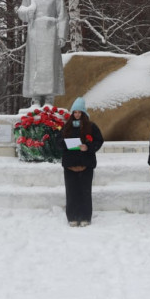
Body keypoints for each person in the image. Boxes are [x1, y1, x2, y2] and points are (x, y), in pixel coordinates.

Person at [16, 0, 69, 107]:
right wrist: (28, 11)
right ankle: (36, 98)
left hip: (51, 31)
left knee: (49, 65)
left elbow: (62, 14)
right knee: (35, 65)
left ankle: (49, 98)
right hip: (34, 32)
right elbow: (21, 11)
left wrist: (62, 35)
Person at [55, 97, 104, 227]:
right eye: (75, 112)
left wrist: (88, 147)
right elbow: (58, 142)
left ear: (83, 113)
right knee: (71, 192)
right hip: (70, 164)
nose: (77, 115)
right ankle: (72, 217)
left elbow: (99, 141)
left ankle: (85, 217)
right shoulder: (66, 127)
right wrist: (67, 144)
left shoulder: (91, 126)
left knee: (85, 192)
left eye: (79, 112)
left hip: (86, 164)